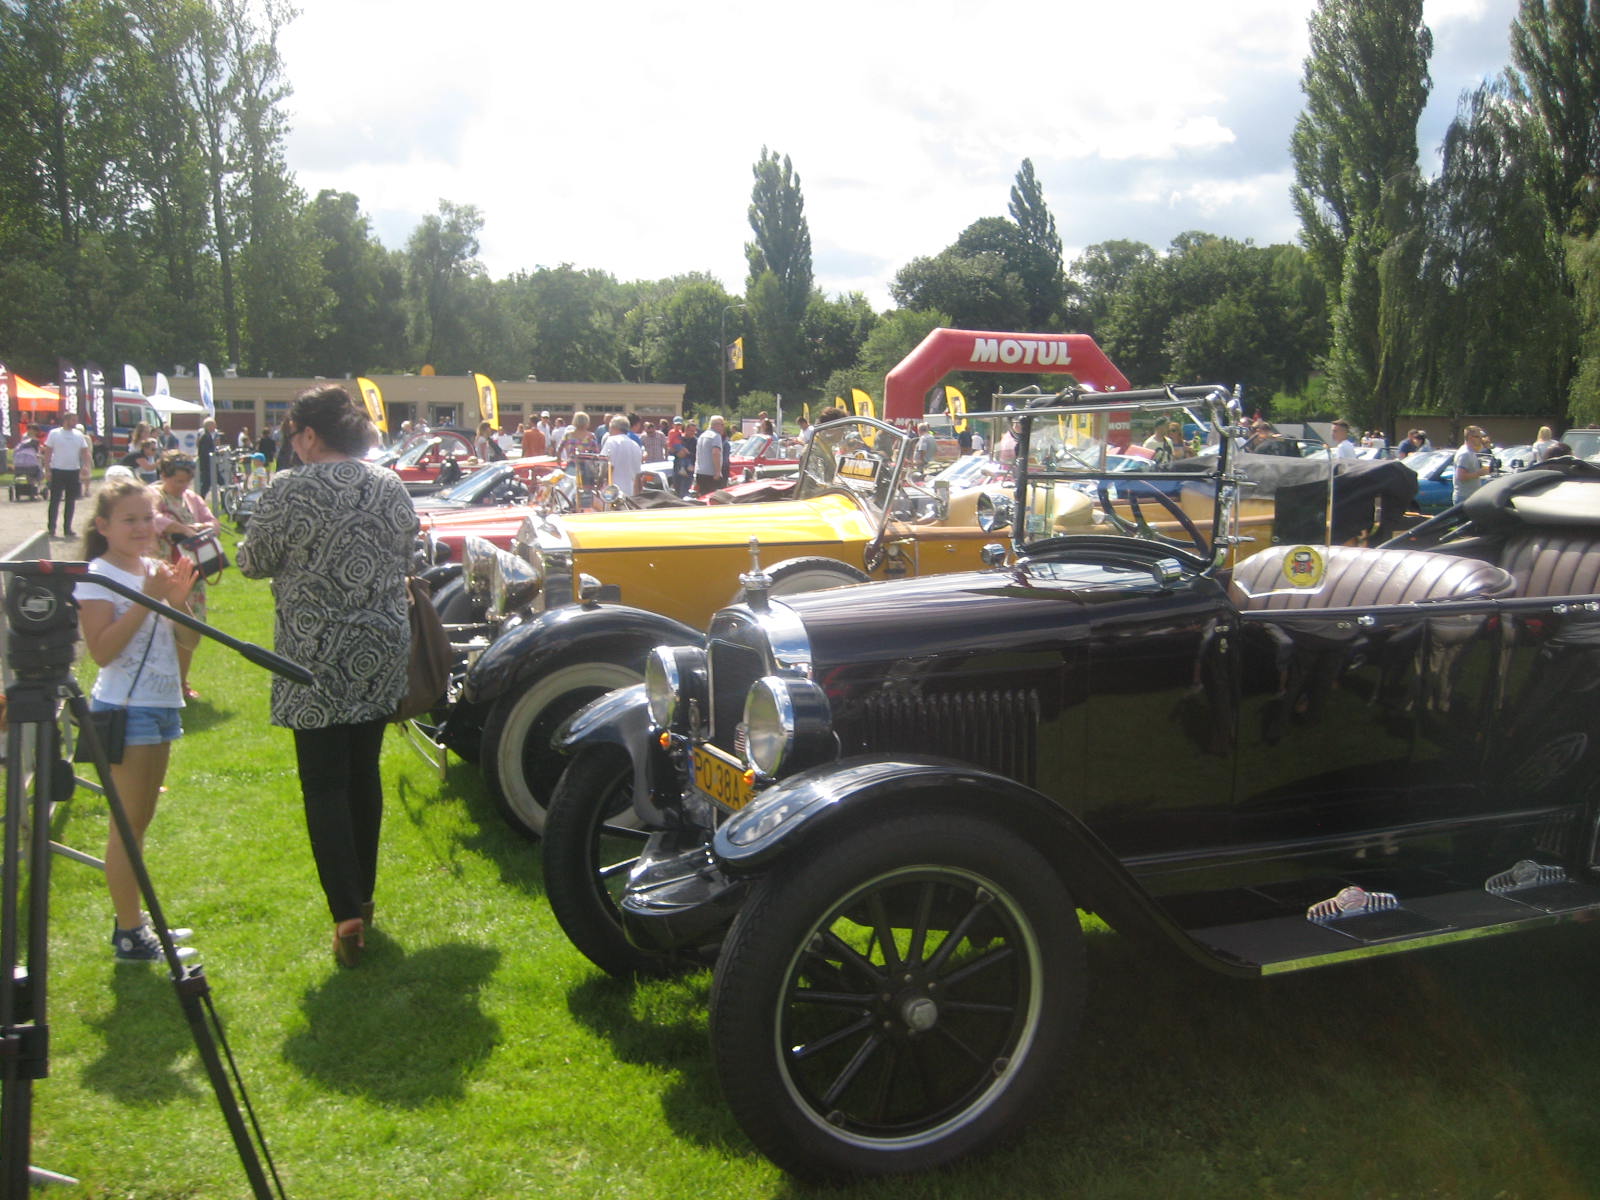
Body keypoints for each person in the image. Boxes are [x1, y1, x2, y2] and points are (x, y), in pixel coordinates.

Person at [237, 385, 416, 968]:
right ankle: (361, 897)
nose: (292, 447)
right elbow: (407, 550)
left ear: (309, 435)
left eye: (293, 436)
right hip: (381, 646)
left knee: (324, 784)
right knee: (362, 771)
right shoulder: (388, 482)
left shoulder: (288, 488)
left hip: (312, 655)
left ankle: (347, 915)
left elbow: (251, 561)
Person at [75, 478, 202, 962]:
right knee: (126, 827)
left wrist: (177, 599)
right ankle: (129, 933)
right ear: (104, 526)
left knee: (141, 822)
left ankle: (136, 922)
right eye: (130, 519)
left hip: (161, 703)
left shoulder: (152, 568)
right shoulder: (96, 574)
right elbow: (103, 651)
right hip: (124, 710)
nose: (142, 528)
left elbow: (187, 641)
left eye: (148, 518)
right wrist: (150, 596)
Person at [152, 450, 220, 700]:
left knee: (189, 629)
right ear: (163, 476)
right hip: (162, 573)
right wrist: (181, 528)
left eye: (185, 481)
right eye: (177, 481)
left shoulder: (192, 498)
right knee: (160, 628)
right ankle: (160, 683)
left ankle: (181, 683)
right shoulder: (153, 496)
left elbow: (213, 522)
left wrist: (203, 529)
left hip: (192, 573)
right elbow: (152, 520)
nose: (182, 486)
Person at [43, 408, 94, 538]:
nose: (75, 422)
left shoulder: (78, 435)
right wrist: (47, 469)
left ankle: (67, 528)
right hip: (58, 470)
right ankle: (52, 528)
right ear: (66, 420)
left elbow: (85, 452)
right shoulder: (54, 433)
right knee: (55, 500)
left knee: (71, 501)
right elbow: (48, 451)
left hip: (73, 470)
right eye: (73, 420)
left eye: (76, 420)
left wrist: (86, 466)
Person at [601, 415, 644, 495]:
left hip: (613, 493)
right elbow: (638, 474)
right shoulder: (635, 445)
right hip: (631, 492)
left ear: (613, 427)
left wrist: (600, 483)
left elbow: (605, 466)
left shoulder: (611, 441)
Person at [1453, 426, 1491, 504]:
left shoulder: (1470, 451)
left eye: (1481, 437)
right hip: (1464, 497)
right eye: (1478, 437)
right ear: (1470, 437)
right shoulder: (1465, 453)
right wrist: (1479, 473)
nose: (1481, 439)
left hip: (1470, 496)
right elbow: (1461, 476)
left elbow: (1482, 448)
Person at [695, 414, 727, 495]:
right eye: (722, 424)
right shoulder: (716, 436)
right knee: (714, 498)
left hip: (700, 472)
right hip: (711, 474)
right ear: (715, 425)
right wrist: (718, 472)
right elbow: (716, 453)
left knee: (703, 497)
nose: (723, 427)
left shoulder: (702, 436)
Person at [196, 417, 217, 498]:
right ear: (209, 426)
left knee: (207, 484)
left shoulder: (207, 435)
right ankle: (200, 500)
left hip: (208, 465)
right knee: (206, 484)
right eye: (214, 425)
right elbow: (205, 452)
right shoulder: (205, 436)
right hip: (206, 465)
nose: (215, 427)